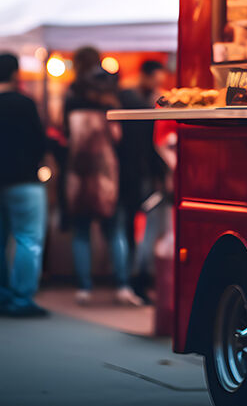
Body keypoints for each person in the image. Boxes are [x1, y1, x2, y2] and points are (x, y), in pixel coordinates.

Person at [64, 46, 141, 307]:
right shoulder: (111, 95)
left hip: (78, 170)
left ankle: (84, 287)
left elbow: (62, 133)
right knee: (115, 230)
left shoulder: (71, 96)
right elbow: (119, 136)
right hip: (107, 171)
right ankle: (121, 285)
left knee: (81, 232)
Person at [0, 52, 48, 317]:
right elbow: (38, 141)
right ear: (14, 74)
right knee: (28, 238)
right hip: (24, 180)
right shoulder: (24, 103)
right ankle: (22, 299)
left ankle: (1, 295)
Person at [117, 59, 171, 302]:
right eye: (155, 78)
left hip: (135, 172)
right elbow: (150, 144)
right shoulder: (136, 101)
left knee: (135, 227)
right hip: (138, 172)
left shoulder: (133, 98)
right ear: (146, 75)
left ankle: (133, 280)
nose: (157, 84)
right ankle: (134, 280)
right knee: (140, 228)